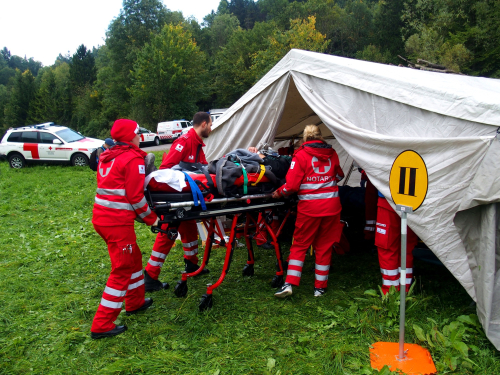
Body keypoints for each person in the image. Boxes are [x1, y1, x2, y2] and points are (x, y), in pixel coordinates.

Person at [90, 119, 159, 339]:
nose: (140, 137)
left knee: (133, 257)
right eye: (138, 134)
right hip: (116, 222)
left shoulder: (107, 155)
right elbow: (136, 198)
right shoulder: (131, 159)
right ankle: (102, 324)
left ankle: (135, 301)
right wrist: (152, 219)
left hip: (102, 219)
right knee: (122, 269)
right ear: (131, 137)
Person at [272, 125, 344, 297]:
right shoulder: (332, 154)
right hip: (332, 208)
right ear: (320, 137)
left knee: (300, 245)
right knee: (325, 247)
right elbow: (339, 176)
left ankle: (289, 284)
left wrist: (278, 193)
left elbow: (292, 186)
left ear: (305, 138)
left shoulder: (301, 155)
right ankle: (320, 288)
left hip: (310, 209)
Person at [144, 112, 212, 292]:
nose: (211, 129)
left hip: (187, 198)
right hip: (174, 195)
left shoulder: (197, 144)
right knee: (168, 233)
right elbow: (166, 170)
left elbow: (202, 169)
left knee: (189, 229)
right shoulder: (184, 142)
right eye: (211, 125)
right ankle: (150, 276)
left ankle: (192, 264)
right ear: (204, 124)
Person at [375, 192, 418, 294]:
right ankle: (404, 288)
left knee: (387, 245)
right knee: (406, 245)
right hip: (414, 201)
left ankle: (391, 292)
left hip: (388, 200)